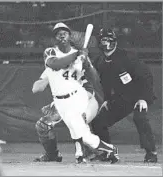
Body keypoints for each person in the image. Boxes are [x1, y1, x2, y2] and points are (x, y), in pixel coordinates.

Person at [32, 22, 119, 164]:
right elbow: (54, 65)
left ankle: (102, 150)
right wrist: (77, 55)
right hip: (61, 102)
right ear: (55, 37)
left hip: (80, 98)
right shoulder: (51, 53)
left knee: (81, 129)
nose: (61, 35)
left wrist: (86, 61)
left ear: (69, 35)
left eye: (64, 32)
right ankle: (73, 153)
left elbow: (94, 79)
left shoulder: (79, 57)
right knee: (62, 128)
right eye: (58, 33)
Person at [90, 28, 158, 163]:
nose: (106, 43)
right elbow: (104, 83)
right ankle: (106, 152)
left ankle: (151, 153)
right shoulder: (99, 61)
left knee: (140, 118)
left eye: (108, 40)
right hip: (122, 98)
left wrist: (143, 98)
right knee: (98, 122)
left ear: (114, 41)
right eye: (103, 40)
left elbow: (145, 77)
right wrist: (107, 100)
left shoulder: (127, 57)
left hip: (138, 94)